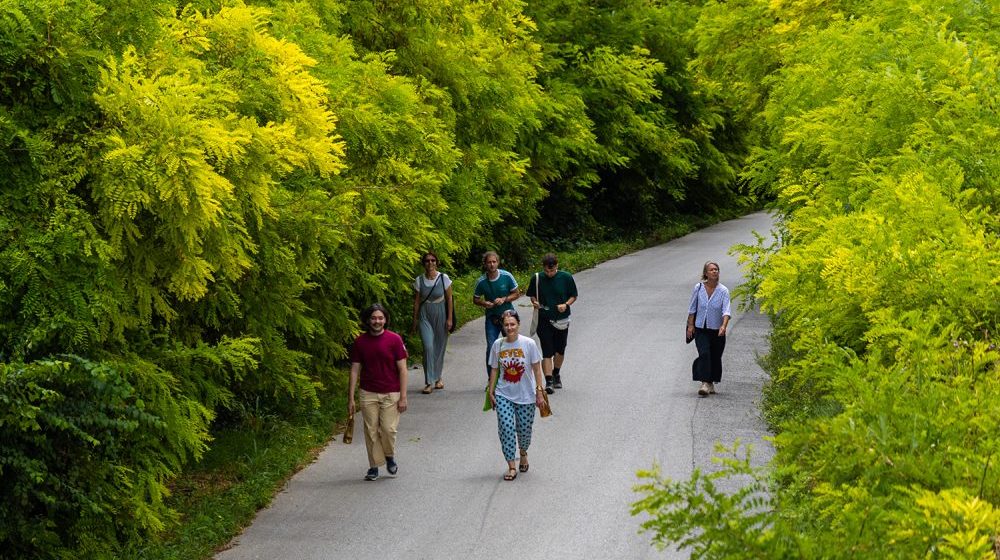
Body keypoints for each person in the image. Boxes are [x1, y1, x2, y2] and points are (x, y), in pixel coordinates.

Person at [349, 304, 409, 481]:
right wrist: (351, 398)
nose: (377, 321)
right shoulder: (360, 342)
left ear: (385, 320)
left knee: (388, 429)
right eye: (374, 318)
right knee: (371, 430)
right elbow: (354, 370)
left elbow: (403, 370)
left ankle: (389, 456)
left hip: (391, 392)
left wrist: (403, 397)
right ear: (368, 320)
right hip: (368, 393)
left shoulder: (395, 340)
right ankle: (374, 466)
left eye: (380, 318)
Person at [487, 310, 546, 481]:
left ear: (518, 324)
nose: (509, 327)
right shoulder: (498, 345)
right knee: (506, 428)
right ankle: (511, 466)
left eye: (512, 324)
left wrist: (539, 392)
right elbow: (494, 369)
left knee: (524, 430)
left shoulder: (529, 344)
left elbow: (537, 369)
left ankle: (523, 452)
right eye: (506, 325)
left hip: (526, 395)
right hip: (503, 393)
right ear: (503, 326)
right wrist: (491, 391)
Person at [526, 253, 578, 394]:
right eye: (547, 271)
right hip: (544, 319)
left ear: (557, 266)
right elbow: (532, 295)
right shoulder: (537, 278)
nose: (549, 273)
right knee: (547, 350)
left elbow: (574, 295)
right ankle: (548, 381)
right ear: (543, 268)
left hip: (562, 319)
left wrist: (566, 304)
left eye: (552, 270)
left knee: (560, 350)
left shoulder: (566, 277)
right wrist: (535, 302)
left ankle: (556, 373)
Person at [686, 261, 731, 397]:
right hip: (701, 328)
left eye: (716, 269)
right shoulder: (698, 288)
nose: (714, 271)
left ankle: (710, 383)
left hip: (717, 330)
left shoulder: (723, 291)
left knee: (715, 356)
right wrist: (690, 325)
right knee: (704, 353)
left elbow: (726, 311)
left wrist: (723, 326)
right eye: (711, 269)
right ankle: (704, 383)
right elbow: (692, 308)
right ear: (706, 273)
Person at [411, 251, 453, 394]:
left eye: (433, 260)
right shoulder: (419, 280)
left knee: (439, 347)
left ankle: (438, 377)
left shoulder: (443, 278)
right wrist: (415, 320)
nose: (430, 263)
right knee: (428, 347)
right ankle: (429, 382)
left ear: (437, 262)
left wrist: (449, 318)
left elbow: (449, 298)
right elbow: (417, 301)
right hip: (425, 314)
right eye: (427, 260)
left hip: (441, 313)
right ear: (424, 263)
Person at [473, 251, 519, 377]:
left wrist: (504, 299)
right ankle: (491, 379)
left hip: (508, 316)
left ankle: (513, 375)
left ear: (498, 262)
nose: (492, 264)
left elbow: (516, 293)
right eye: (489, 262)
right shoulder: (481, 281)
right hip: (492, 318)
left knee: (512, 344)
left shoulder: (506, 276)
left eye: (494, 262)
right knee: (491, 346)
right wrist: (484, 303)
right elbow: (475, 299)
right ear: (485, 264)